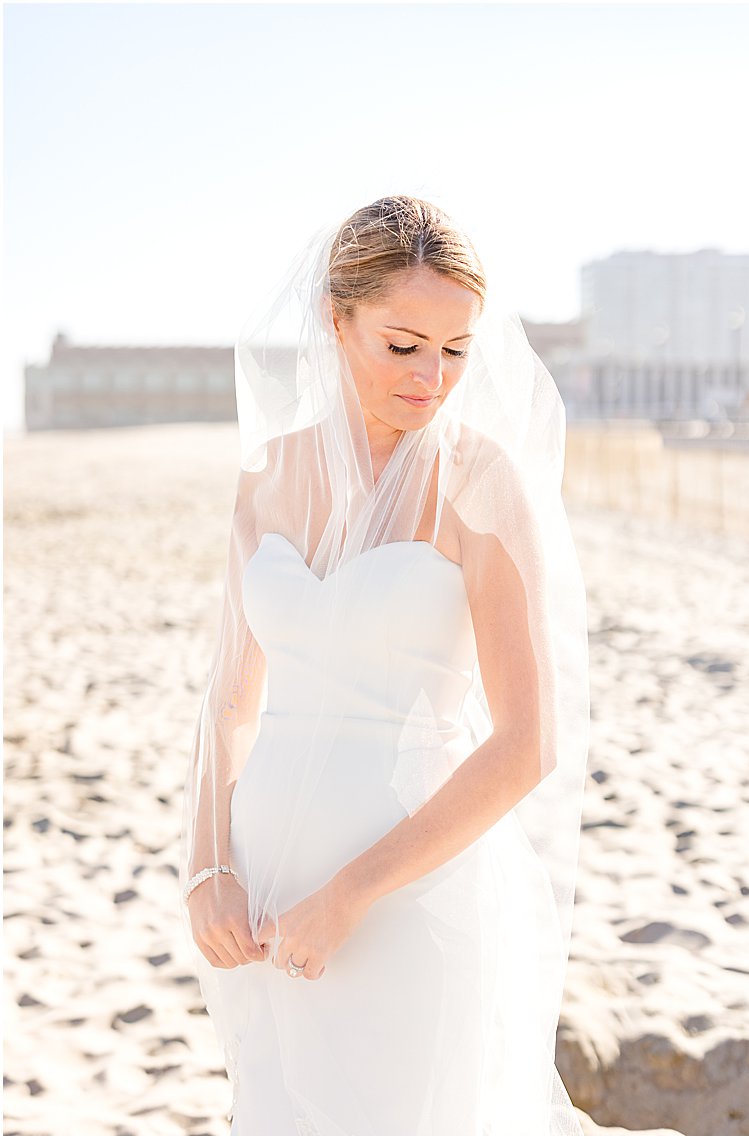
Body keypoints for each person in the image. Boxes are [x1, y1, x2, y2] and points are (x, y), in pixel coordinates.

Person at [179, 196, 589, 1135]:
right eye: (402, 344)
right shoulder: (266, 477)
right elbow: (229, 700)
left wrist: (353, 893)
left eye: (455, 349)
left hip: (413, 892)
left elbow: (529, 743)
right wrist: (207, 867)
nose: (431, 376)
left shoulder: (482, 481)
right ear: (336, 318)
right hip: (264, 886)